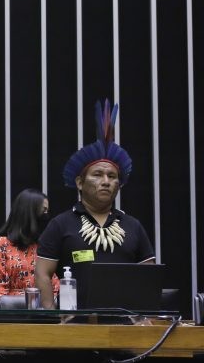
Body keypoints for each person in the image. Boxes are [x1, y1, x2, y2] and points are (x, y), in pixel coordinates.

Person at [34, 100, 155, 309]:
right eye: (97, 174)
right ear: (80, 183)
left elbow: (149, 277)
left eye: (112, 176)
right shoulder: (60, 224)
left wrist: (143, 318)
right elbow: (42, 273)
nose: (106, 181)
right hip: (76, 322)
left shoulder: (133, 226)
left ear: (119, 184)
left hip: (125, 323)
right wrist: (53, 318)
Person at [0, 188, 60, 307]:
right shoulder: (0, 245)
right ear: (29, 213)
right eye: (43, 210)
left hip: (45, 313)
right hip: (12, 314)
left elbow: (55, 288)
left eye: (47, 211)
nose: (46, 216)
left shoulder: (43, 247)